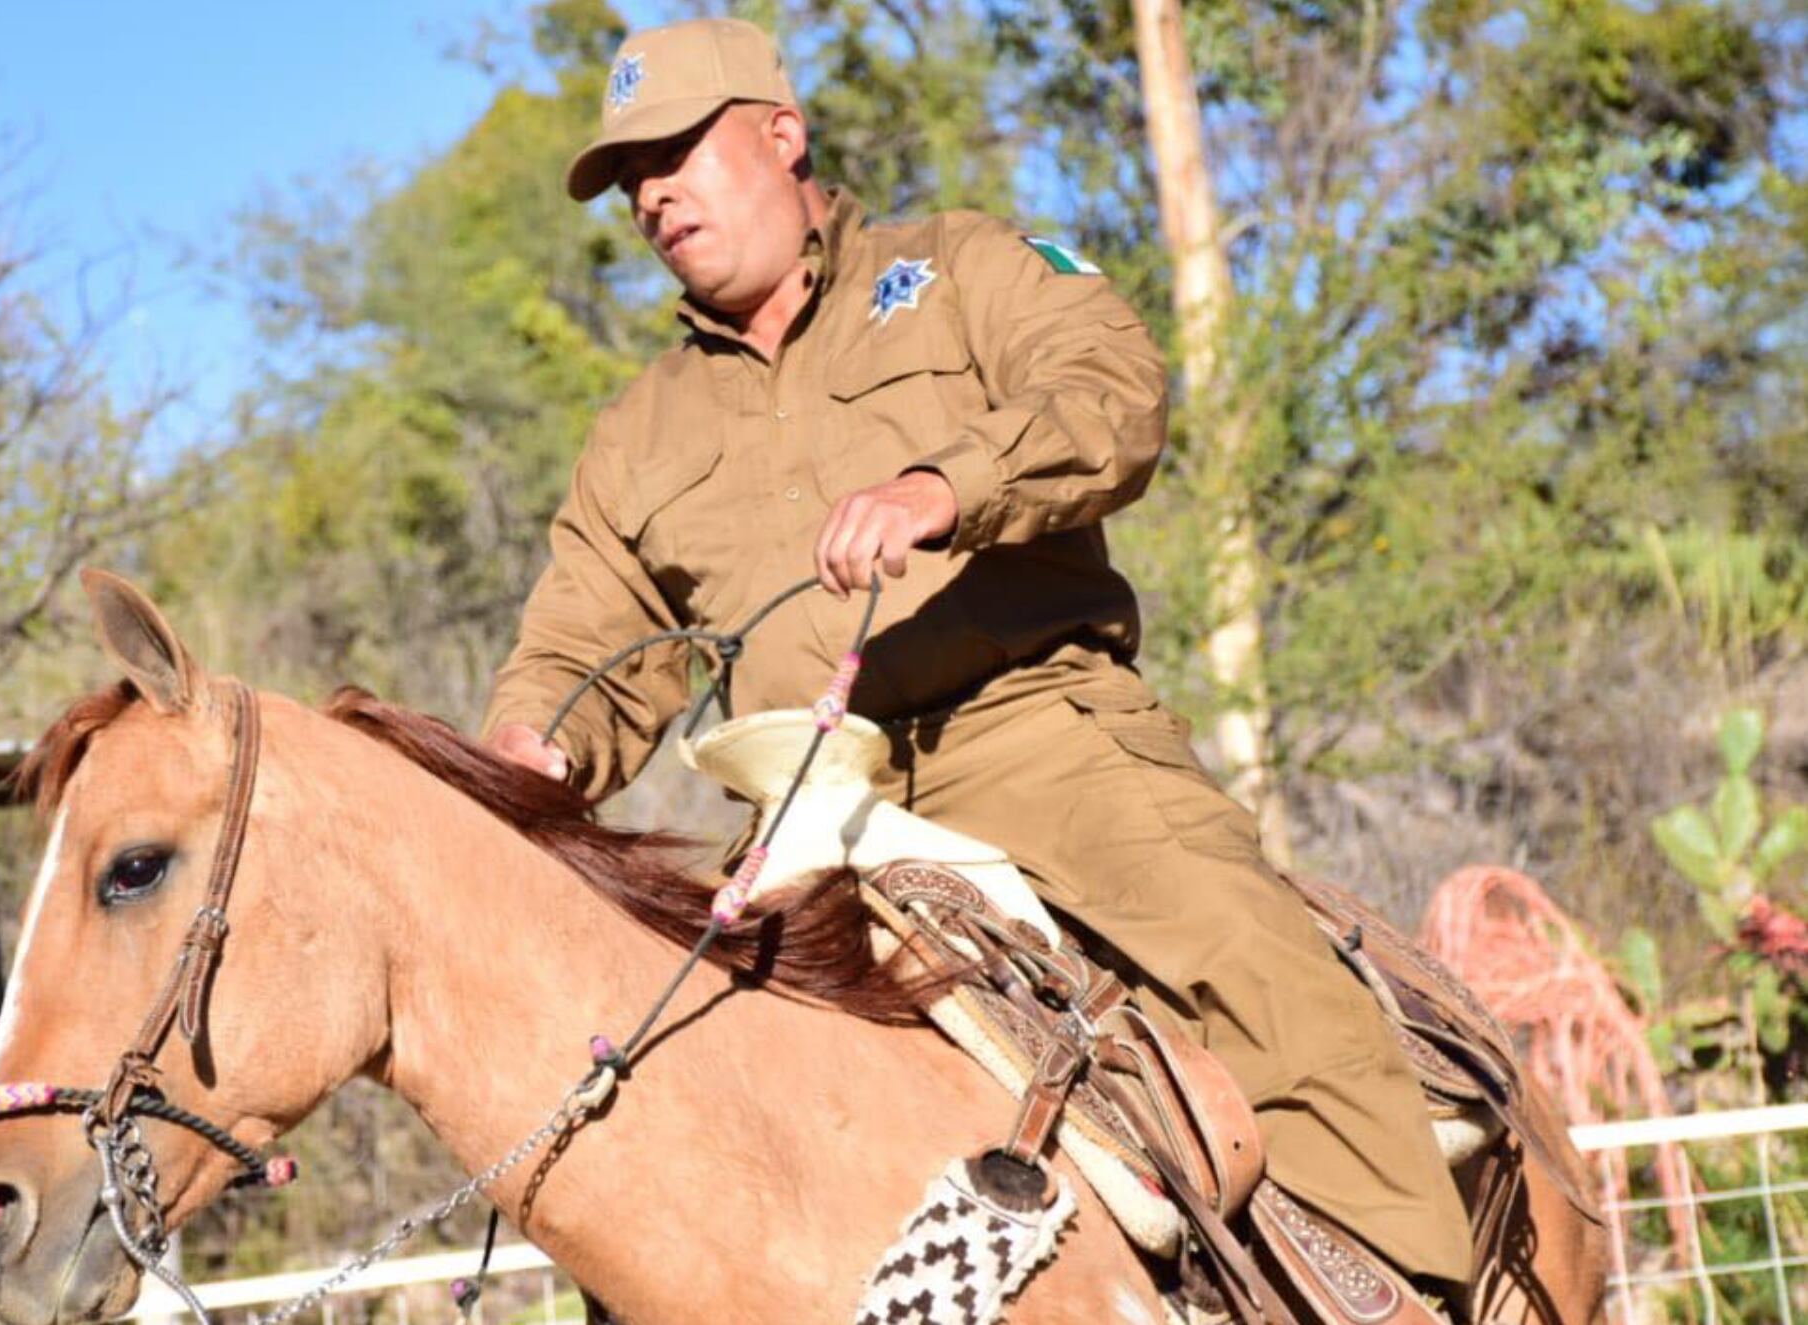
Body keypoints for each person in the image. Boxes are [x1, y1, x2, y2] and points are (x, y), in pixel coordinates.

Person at [479, 14, 1472, 1304]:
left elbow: (1112, 388)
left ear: (783, 137)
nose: (654, 192)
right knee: (662, 1083)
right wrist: (533, 744)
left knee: (1251, 956)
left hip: (1031, 726)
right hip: (798, 804)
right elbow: (589, 639)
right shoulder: (639, 430)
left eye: (677, 150)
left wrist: (948, 485)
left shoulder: (961, 267)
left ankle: (1397, 1293)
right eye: (629, 179)